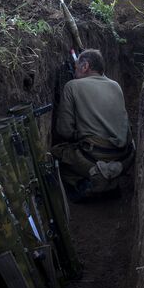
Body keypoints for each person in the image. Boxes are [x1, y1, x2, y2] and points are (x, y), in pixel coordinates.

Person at [52, 49, 135, 201]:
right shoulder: (115, 85)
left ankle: (92, 185)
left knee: (57, 153)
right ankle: (111, 181)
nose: (75, 71)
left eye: (76, 67)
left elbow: (64, 131)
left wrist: (78, 134)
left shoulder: (72, 86)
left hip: (93, 157)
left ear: (85, 67)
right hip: (125, 157)